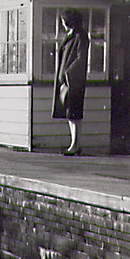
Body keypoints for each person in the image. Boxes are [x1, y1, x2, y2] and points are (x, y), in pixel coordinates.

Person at [52, 8, 89, 155]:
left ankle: (75, 145)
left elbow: (81, 58)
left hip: (74, 80)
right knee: (70, 113)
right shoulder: (71, 36)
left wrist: (68, 74)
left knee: (75, 114)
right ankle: (74, 144)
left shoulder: (81, 36)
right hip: (66, 81)